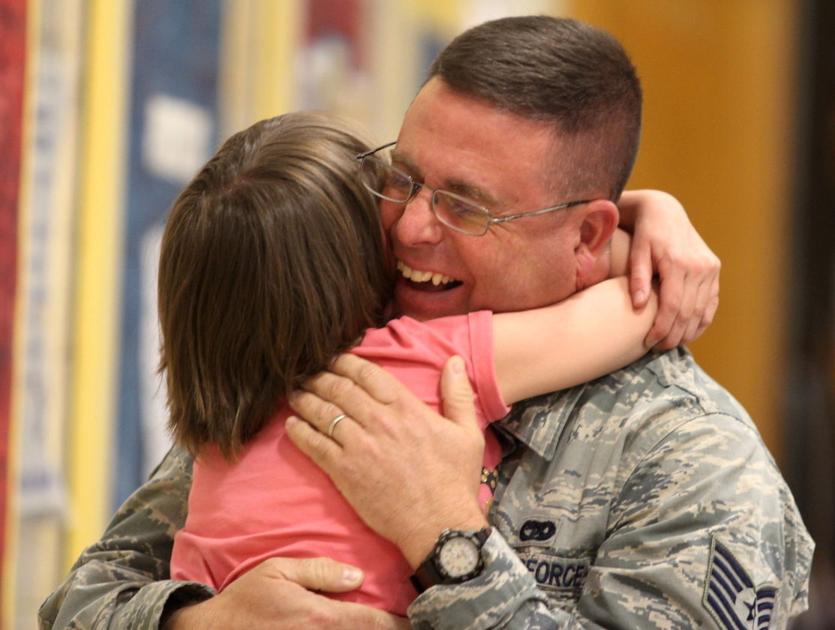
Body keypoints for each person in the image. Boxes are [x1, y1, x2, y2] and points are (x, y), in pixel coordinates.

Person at [33, 16, 785, 630]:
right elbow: (79, 604)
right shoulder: (326, 344)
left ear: (589, 236)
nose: (410, 229)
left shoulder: (693, 460)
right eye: (402, 178)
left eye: (466, 205)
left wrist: (449, 541)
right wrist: (200, 622)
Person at [160, 111, 659, 616]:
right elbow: (643, 302)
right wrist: (649, 215)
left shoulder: (217, 423)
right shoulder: (415, 358)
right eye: (395, 190)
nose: (412, 225)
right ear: (354, 259)